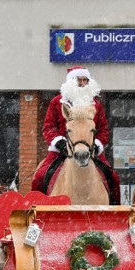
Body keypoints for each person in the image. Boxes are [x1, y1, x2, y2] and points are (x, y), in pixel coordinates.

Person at [31, 66, 121, 204]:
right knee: (39, 176)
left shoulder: (96, 105)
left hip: (91, 150)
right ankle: (37, 213)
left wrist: (96, 145)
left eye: (86, 80)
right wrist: (59, 142)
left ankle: (115, 214)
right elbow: (48, 127)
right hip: (61, 151)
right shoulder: (57, 103)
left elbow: (103, 130)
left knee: (113, 177)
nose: (83, 83)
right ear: (71, 82)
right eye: (80, 80)